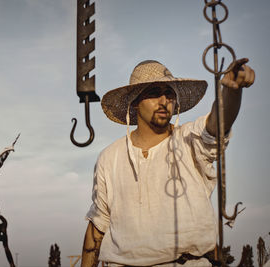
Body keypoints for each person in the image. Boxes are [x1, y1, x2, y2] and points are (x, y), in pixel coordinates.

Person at [81, 59, 255, 267]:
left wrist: (232, 91)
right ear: (135, 102)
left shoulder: (190, 139)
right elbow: (97, 228)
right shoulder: (110, 157)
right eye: (154, 92)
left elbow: (217, 124)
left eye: (170, 94)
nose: (164, 100)